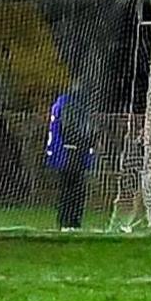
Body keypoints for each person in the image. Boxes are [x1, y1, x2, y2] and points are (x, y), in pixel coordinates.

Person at [44, 81, 100, 229]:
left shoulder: (64, 103)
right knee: (72, 188)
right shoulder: (70, 104)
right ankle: (69, 221)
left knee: (72, 188)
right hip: (70, 151)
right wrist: (87, 140)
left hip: (66, 151)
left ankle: (69, 221)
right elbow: (70, 129)